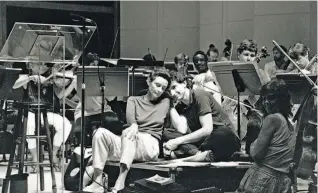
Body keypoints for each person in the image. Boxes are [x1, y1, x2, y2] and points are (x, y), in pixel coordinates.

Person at [83, 67, 171, 193]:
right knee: (100, 133)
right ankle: (98, 182)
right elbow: (131, 122)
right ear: (148, 81)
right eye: (157, 85)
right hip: (130, 142)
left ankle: (121, 179)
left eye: (163, 88)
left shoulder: (166, 101)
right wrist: (134, 126)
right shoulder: (133, 100)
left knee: (128, 134)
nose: (159, 90)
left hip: (150, 145)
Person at [163, 72, 240, 161]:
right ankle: (198, 154)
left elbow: (207, 129)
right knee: (165, 132)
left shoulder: (199, 95)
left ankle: (189, 154)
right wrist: (171, 104)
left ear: (184, 83)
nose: (172, 93)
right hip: (203, 141)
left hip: (222, 137)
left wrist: (177, 141)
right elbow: (181, 131)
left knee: (223, 133)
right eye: (168, 91)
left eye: (174, 87)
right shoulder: (179, 107)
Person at [236, 79, 296, 193]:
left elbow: (256, 155)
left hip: (264, 179)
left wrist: (254, 140)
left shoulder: (272, 119)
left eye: (271, 98)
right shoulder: (288, 122)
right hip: (280, 181)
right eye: (264, 98)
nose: (266, 102)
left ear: (282, 99)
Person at [12, 62, 72, 171]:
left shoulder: (49, 78)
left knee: (66, 124)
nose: (42, 66)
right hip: (30, 111)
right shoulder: (26, 76)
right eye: (38, 64)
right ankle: (35, 158)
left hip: (46, 112)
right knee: (29, 126)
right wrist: (31, 77)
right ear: (30, 65)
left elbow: (59, 95)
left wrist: (68, 81)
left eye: (43, 64)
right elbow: (15, 84)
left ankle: (53, 154)